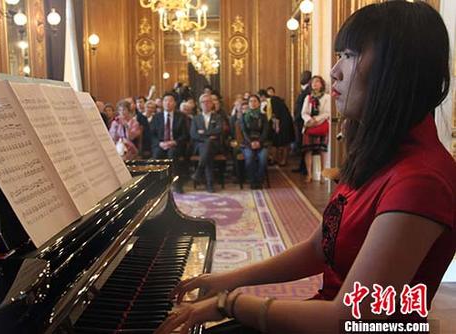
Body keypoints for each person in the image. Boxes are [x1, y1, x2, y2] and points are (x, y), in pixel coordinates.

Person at [154, 2, 456, 333]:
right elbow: (319, 247)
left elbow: (347, 319)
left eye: (350, 55)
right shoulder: (381, 154)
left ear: (397, 69)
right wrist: (226, 279)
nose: (334, 71)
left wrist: (231, 302)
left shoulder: (421, 179)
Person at [150, 93, 189, 193]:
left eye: (170, 100)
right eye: (166, 100)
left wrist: (174, 142)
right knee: (157, 154)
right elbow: (152, 135)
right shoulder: (156, 117)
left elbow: (185, 135)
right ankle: (158, 184)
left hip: (175, 145)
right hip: (161, 144)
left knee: (172, 154)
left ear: (175, 103)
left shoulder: (181, 117)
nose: (168, 103)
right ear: (162, 103)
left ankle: (177, 184)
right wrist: (159, 143)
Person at [190, 94, 223, 193]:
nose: (206, 104)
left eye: (208, 101)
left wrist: (203, 133)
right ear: (200, 104)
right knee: (208, 151)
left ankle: (199, 172)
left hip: (215, 145)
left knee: (208, 148)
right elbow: (193, 134)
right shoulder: (196, 118)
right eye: (203, 102)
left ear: (212, 103)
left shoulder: (217, 117)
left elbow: (219, 130)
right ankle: (209, 184)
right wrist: (208, 136)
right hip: (199, 145)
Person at [301, 75, 331, 183]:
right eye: (313, 82)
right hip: (309, 125)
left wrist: (316, 120)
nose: (315, 84)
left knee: (322, 150)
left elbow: (327, 112)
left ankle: (323, 174)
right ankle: (309, 174)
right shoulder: (308, 97)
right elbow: (303, 112)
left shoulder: (327, 97)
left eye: (317, 82)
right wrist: (309, 120)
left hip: (321, 125)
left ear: (322, 84)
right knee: (308, 150)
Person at [240, 95, 269, 190]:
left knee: (263, 159)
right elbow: (244, 132)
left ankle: (259, 180)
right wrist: (251, 143)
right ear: (248, 104)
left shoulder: (263, 116)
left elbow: (265, 131)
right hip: (248, 143)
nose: (253, 103)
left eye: (255, 101)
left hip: (261, 142)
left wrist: (259, 142)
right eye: (251, 101)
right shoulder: (244, 116)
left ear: (259, 103)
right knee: (249, 158)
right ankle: (252, 181)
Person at [292, 70, 312, 174]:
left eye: (303, 76)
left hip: (303, 121)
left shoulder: (308, 91)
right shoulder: (304, 90)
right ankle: (302, 166)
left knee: (304, 144)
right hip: (298, 121)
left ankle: (304, 168)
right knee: (300, 144)